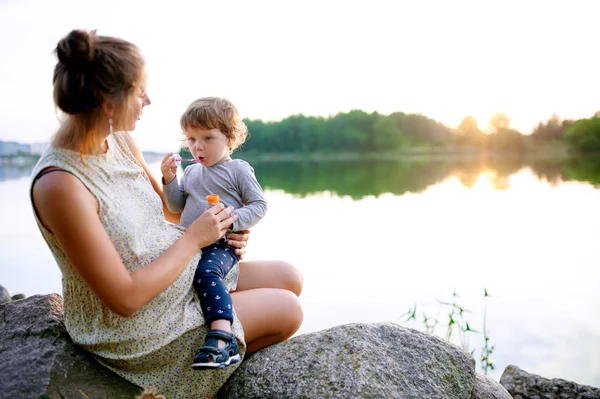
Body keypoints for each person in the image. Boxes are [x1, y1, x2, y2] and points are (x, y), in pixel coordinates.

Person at [30, 29, 303, 399]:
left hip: (175, 270)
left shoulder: (121, 140)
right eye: (139, 91)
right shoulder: (61, 185)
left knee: (290, 277)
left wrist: (223, 226)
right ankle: (190, 379)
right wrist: (195, 239)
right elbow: (123, 299)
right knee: (288, 309)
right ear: (108, 103)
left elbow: (169, 214)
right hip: (137, 326)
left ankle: (213, 359)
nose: (149, 100)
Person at [160, 97, 267, 370]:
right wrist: (170, 179)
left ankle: (222, 335)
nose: (198, 146)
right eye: (192, 139)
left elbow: (259, 205)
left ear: (230, 138)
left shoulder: (238, 169)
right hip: (189, 243)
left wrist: (231, 221)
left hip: (220, 245)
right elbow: (175, 206)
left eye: (207, 137)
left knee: (206, 273)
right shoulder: (193, 171)